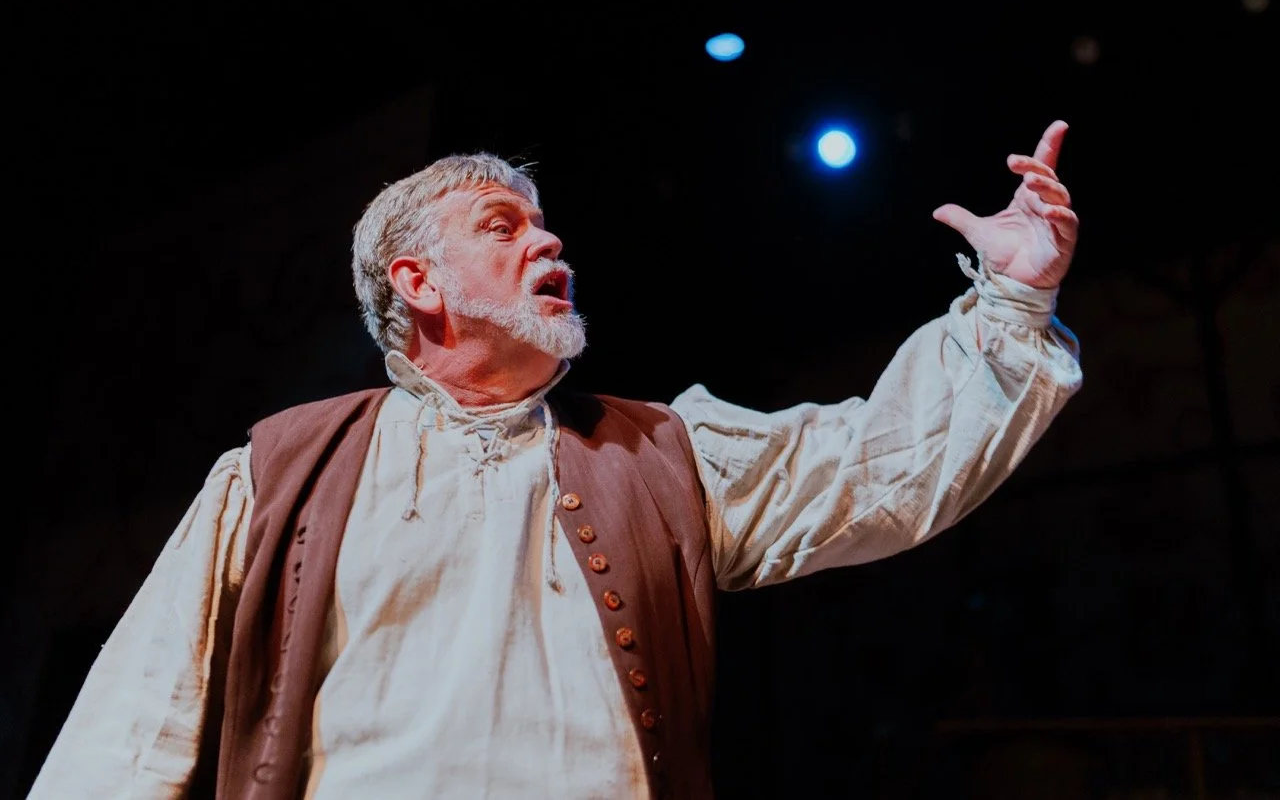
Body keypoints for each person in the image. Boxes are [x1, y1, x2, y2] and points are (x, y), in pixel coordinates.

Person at [28, 120, 1083, 799]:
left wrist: (1013, 300)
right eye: (503, 227)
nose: (551, 246)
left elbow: (876, 469)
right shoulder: (278, 473)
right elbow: (131, 731)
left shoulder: (662, 455)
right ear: (418, 282)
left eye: (548, 229)